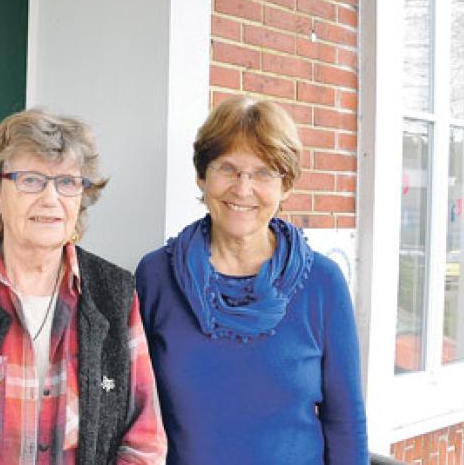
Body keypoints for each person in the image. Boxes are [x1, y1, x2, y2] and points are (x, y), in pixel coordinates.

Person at [0, 109, 167, 464]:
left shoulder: (114, 294)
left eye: (67, 182)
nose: (51, 199)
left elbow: (144, 442)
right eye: (31, 180)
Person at [135, 95, 367, 464]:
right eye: (227, 168)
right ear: (201, 175)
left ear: (285, 185)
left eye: (263, 173)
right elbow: (134, 412)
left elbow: (345, 423)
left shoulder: (322, 283)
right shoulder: (156, 277)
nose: (243, 189)